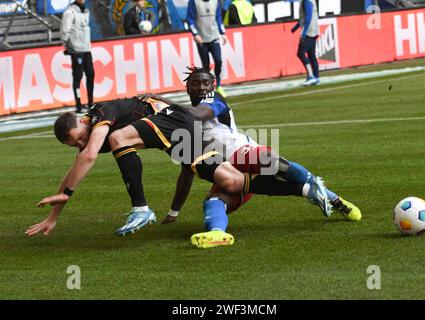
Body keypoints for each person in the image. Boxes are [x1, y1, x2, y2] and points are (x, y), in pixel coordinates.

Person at [25, 93, 332, 238]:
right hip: (175, 131)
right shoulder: (90, 132)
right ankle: (306, 187)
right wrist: (54, 216)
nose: (81, 145)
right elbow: (81, 160)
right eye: (74, 144)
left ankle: (141, 208)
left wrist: (67, 193)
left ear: (81, 122)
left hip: (171, 121)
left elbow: (89, 156)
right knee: (232, 183)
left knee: (118, 138)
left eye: (78, 138)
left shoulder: (98, 116)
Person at [154, 67, 361, 248]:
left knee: (267, 159)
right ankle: (217, 233)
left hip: (241, 152)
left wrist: (164, 101)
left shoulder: (214, 99)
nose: (201, 88)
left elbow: (199, 114)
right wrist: (174, 211)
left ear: (213, 85)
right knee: (213, 201)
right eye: (195, 83)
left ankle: (330, 196)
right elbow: (187, 170)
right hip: (225, 171)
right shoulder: (181, 124)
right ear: (187, 88)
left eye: (206, 83)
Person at [186, 0, 228, 97]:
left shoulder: (214, 2)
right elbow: (190, 19)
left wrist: (223, 33)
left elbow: (218, 18)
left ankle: (218, 85)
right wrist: (195, 34)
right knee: (206, 65)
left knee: (218, 60)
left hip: (214, 36)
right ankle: (208, 87)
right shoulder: (194, 2)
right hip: (201, 38)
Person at [60, 0, 95, 113]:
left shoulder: (85, 10)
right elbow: (65, 30)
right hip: (76, 48)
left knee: (90, 74)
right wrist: (66, 45)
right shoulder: (69, 12)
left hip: (86, 48)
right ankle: (79, 104)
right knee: (78, 76)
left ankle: (90, 102)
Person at [291, 0, 320, 87]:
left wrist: (303, 33)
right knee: (311, 55)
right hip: (314, 31)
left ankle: (311, 76)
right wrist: (295, 27)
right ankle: (316, 77)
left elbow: (308, 17)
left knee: (300, 53)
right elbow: (305, 17)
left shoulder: (306, 1)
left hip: (308, 32)